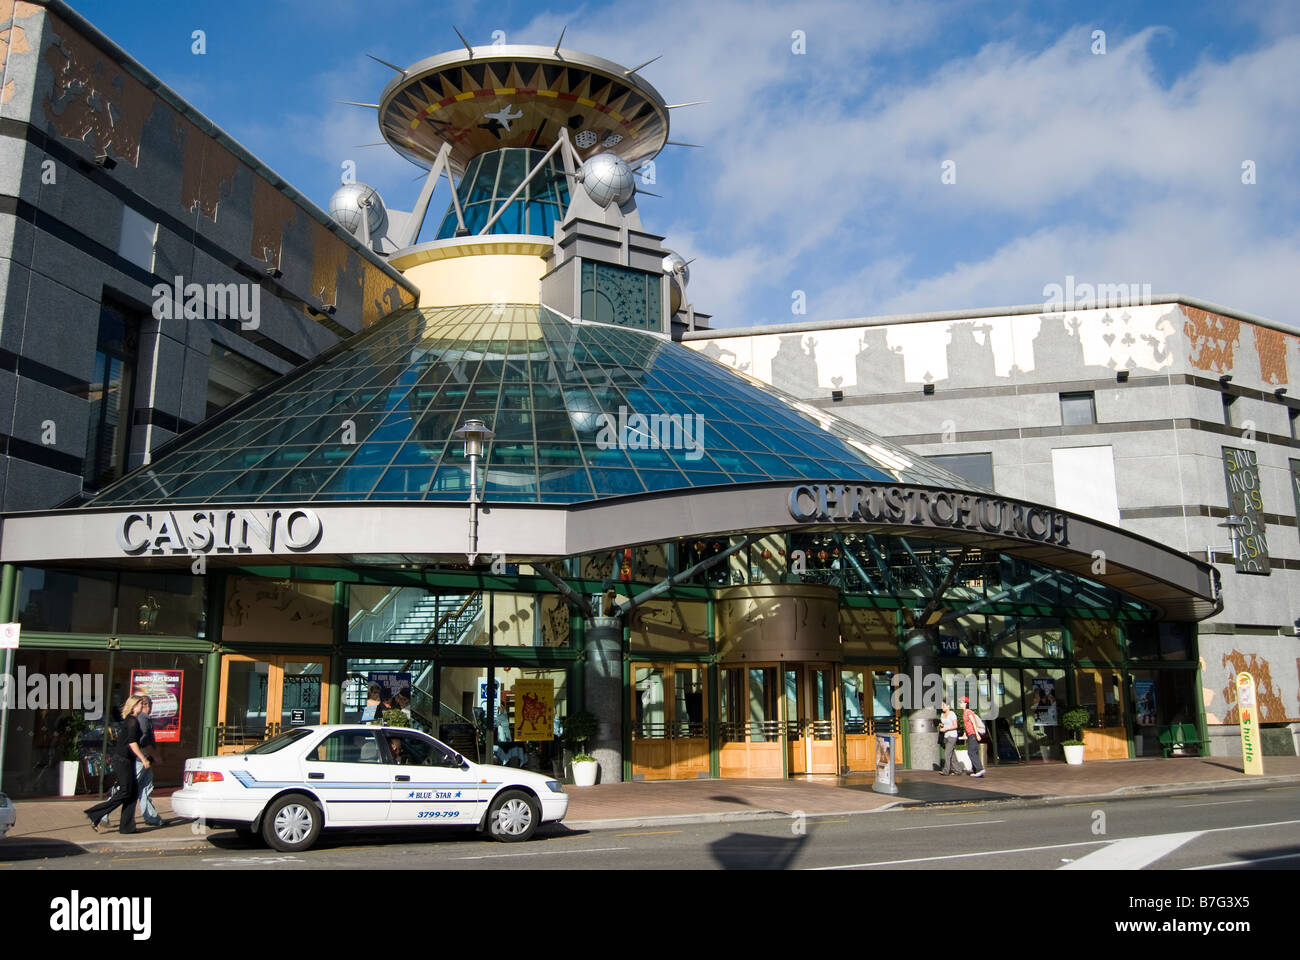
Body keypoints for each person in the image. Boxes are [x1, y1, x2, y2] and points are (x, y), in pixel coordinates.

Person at [84, 696, 150, 834]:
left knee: (132, 793)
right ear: (133, 706)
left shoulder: (133, 720)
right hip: (122, 760)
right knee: (126, 791)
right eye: (139, 703)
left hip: (127, 760)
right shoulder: (132, 721)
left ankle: (127, 827)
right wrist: (143, 758)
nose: (142, 705)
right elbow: (132, 743)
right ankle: (95, 813)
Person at [135, 695, 164, 827]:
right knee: (125, 788)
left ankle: (151, 816)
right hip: (142, 758)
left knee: (145, 787)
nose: (150, 708)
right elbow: (144, 741)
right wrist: (155, 756)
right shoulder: (143, 718)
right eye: (149, 705)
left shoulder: (144, 718)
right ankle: (103, 814)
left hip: (145, 758)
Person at [961, 696, 986, 778]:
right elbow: (966, 724)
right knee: (974, 752)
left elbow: (973, 723)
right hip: (970, 734)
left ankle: (980, 769)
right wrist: (965, 733)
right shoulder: (965, 712)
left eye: (961, 702)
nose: (960, 704)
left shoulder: (968, 712)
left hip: (973, 734)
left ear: (966, 703)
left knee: (971, 752)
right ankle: (976, 771)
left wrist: (977, 734)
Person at [938, 698, 959, 775]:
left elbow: (955, 726)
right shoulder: (942, 715)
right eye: (941, 705)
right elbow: (944, 724)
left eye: (943, 705)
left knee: (947, 753)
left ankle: (946, 771)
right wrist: (941, 725)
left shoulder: (952, 714)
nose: (942, 707)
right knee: (952, 754)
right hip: (945, 736)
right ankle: (958, 770)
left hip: (952, 736)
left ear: (948, 706)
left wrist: (946, 728)